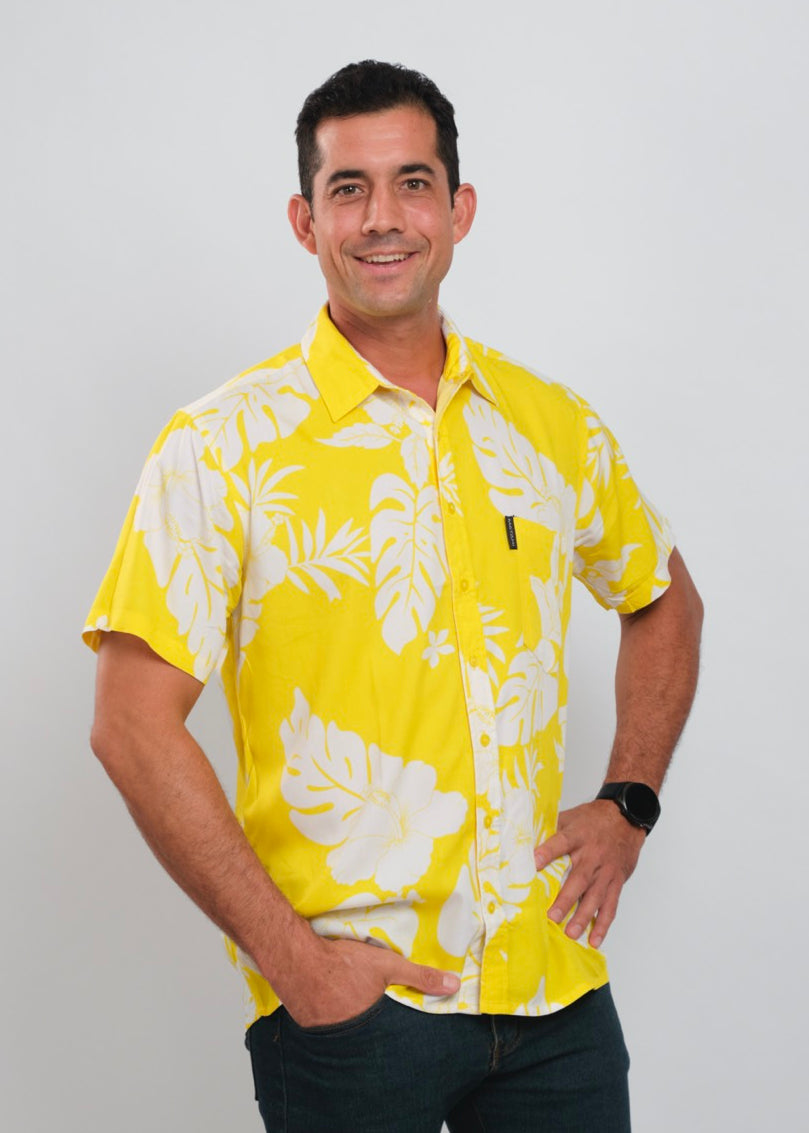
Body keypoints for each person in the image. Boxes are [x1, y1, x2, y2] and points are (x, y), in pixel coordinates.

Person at [84, 60, 703, 1132]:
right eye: (348, 188)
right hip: (353, 1019)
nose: (383, 218)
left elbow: (662, 599)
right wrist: (298, 970)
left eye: (412, 183)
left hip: (554, 995)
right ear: (302, 218)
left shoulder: (547, 424)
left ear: (458, 209)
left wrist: (628, 801)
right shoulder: (221, 447)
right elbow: (130, 726)